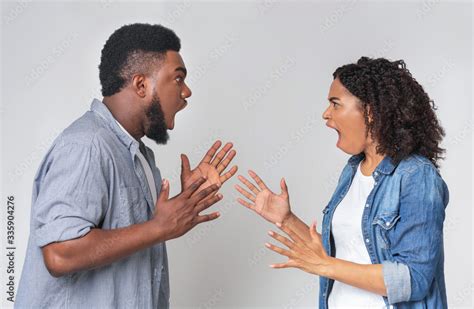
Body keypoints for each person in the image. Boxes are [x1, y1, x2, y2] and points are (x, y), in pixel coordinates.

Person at [16, 23, 237, 308]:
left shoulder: (140, 155)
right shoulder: (87, 145)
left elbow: (137, 238)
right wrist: (159, 227)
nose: (187, 92)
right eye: (178, 79)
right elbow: (60, 254)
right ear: (141, 85)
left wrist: (185, 202)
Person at [235, 57, 449, 308]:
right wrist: (287, 219)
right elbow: (334, 256)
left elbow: (414, 278)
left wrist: (327, 265)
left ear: (370, 112)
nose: (326, 114)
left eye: (335, 104)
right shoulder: (352, 171)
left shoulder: (415, 175)